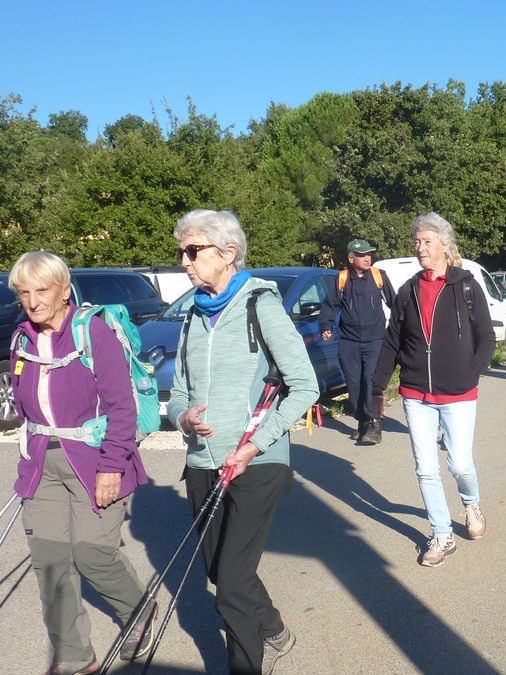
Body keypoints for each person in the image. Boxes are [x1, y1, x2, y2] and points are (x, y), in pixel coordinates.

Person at [166, 209, 320, 674]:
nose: (184, 261)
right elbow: (175, 394)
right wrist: (183, 419)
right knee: (220, 573)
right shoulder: (194, 314)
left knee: (231, 585)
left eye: (193, 251)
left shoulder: (261, 306)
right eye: (181, 252)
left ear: (228, 253)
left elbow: (305, 386)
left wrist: (257, 444)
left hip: (257, 461)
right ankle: (273, 628)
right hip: (202, 462)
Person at [8, 250, 153, 675]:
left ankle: (139, 610)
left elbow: (121, 408)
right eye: (24, 293)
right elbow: (25, 411)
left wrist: (111, 466)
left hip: (95, 460)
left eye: (42, 290)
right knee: (50, 558)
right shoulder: (21, 339)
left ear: (64, 290)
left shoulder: (93, 332)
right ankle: (73, 655)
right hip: (42, 464)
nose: (33, 301)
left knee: (92, 554)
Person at [371, 212, 495, 567]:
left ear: (444, 245)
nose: (420, 247)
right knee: (425, 468)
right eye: (417, 241)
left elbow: (486, 337)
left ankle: (470, 503)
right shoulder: (409, 290)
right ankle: (441, 534)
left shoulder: (466, 285)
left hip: (458, 392)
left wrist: (471, 372)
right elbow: (392, 340)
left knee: (459, 463)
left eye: (427, 241)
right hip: (415, 393)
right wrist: (378, 387)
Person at [320, 238, 396, 445]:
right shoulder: (342, 279)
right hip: (349, 341)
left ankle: (375, 424)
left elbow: (395, 304)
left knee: (371, 380)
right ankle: (362, 422)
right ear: (351, 258)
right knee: (353, 383)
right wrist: (326, 327)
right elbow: (329, 306)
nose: (367, 258)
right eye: (362, 255)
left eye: (369, 254)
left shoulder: (379, 277)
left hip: (376, 339)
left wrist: (400, 330)